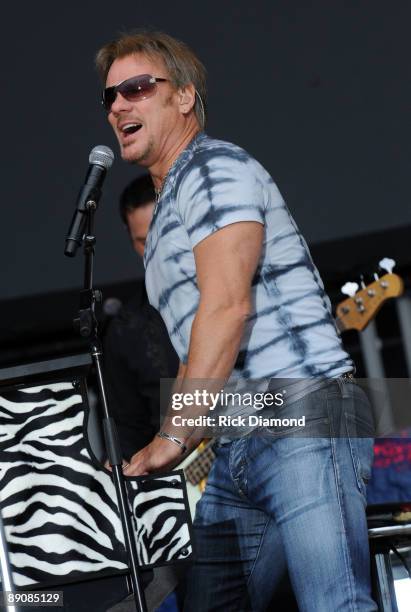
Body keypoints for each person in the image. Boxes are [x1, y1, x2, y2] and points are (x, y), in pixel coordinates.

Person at [96, 31, 377, 611]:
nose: (119, 104)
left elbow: (228, 307)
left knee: (335, 603)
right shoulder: (170, 204)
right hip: (240, 432)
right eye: (110, 97)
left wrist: (174, 434)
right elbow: (202, 336)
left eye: (138, 87)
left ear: (184, 97)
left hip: (299, 410)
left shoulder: (212, 168)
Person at [103, 173, 178, 460]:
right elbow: (128, 432)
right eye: (143, 242)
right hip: (185, 485)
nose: (155, 252)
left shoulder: (233, 293)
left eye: (163, 236)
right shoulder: (126, 328)